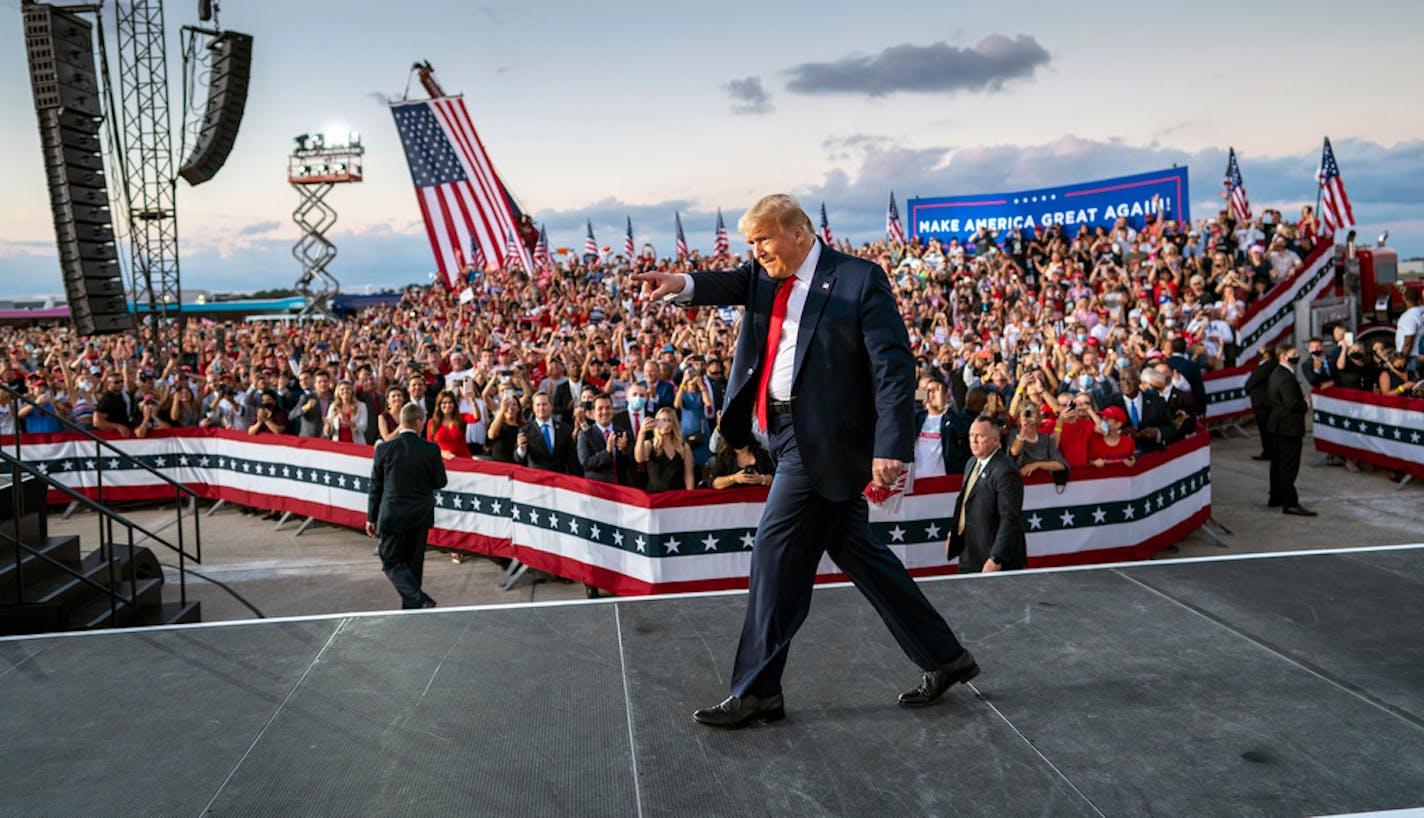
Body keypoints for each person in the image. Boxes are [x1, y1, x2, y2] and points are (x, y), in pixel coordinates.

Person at [634, 193, 975, 729]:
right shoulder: (763, 274)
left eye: (763, 239)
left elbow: (893, 368)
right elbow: (725, 282)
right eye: (750, 243)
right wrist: (681, 284)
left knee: (773, 554)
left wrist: (892, 446)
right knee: (863, 556)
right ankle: (946, 657)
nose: (757, 251)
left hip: (827, 444)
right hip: (780, 433)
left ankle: (758, 690)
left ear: (798, 234)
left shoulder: (859, 280)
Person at [366, 402, 447, 610]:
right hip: (419, 515)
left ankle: (416, 602)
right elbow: (440, 482)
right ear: (419, 422)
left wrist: (371, 518)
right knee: (413, 565)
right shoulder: (430, 449)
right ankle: (416, 603)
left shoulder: (384, 449)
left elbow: (375, 486)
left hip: (392, 515)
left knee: (390, 560)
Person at [946, 418, 1027, 573]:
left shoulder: (1005, 471)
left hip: (992, 558)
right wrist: (953, 533)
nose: (974, 441)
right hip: (969, 551)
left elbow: (1009, 517)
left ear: (996, 440)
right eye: (971, 435)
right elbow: (965, 502)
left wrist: (996, 557)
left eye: (980, 436)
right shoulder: (971, 463)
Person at [1265, 343, 1315, 517]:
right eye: (1294, 353)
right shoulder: (1286, 377)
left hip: (1279, 425)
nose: (1297, 356)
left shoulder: (1277, 373)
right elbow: (1292, 404)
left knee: (1278, 463)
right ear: (1284, 356)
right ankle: (1290, 503)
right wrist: (1306, 403)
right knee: (1288, 466)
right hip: (1288, 427)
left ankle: (1276, 496)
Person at [576, 393, 635, 485]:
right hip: (598, 489)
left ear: (612, 410)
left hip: (622, 487)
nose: (604, 412)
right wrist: (607, 452)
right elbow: (586, 463)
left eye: (608, 408)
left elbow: (632, 462)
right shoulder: (585, 435)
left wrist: (624, 450)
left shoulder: (623, 433)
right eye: (600, 408)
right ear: (593, 413)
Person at [515, 392, 579, 474]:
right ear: (533, 408)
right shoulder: (525, 430)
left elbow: (572, 459)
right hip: (537, 480)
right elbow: (517, 458)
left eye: (544, 404)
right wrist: (521, 449)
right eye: (538, 405)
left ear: (551, 406)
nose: (541, 408)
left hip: (560, 480)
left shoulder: (565, 429)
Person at [634, 406, 695, 492]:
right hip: (656, 497)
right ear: (656, 422)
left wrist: (690, 497)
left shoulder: (684, 447)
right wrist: (642, 432)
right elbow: (639, 458)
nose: (665, 424)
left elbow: (689, 475)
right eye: (662, 420)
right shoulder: (649, 445)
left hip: (677, 497)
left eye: (668, 420)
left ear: (673, 423)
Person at [1006, 404, 1068, 478]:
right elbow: (1014, 452)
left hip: (1042, 483)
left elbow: (1061, 465)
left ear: (1038, 418)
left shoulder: (1045, 438)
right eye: (1025, 414)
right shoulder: (1013, 434)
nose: (1028, 416)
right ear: (1019, 418)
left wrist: (1037, 465)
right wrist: (1023, 431)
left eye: (1032, 413)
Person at [703, 434, 775, 489]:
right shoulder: (724, 456)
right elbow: (714, 483)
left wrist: (761, 479)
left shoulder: (762, 454)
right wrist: (734, 478)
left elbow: (775, 478)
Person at [1243, 347, 1278, 462]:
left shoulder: (1264, 367)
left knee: (1265, 430)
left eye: (1261, 350)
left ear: (1267, 354)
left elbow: (1251, 383)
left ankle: (1268, 452)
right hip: (1269, 402)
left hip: (1262, 403)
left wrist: (1247, 389)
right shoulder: (1274, 365)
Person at [426, 389, 471, 460]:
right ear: (439, 405)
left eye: (450, 402)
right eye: (444, 402)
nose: (447, 405)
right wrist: (441, 452)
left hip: (463, 460)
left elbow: (476, 418)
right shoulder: (432, 422)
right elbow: (430, 446)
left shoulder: (461, 418)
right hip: (443, 462)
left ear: (454, 404)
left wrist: (473, 400)